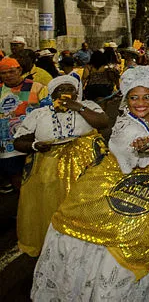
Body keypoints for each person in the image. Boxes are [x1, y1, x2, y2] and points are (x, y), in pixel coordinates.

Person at [31, 65, 149, 301]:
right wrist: (144, 148)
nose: (141, 103)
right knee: (116, 246)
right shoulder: (127, 127)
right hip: (121, 189)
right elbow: (127, 148)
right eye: (134, 98)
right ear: (126, 99)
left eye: (147, 97)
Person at [13, 75, 109, 257]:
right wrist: (34, 146)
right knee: (51, 207)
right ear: (52, 95)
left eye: (70, 90)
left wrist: (78, 107)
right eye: (61, 90)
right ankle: (55, 247)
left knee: (85, 205)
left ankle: (87, 246)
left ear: (76, 93)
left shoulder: (88, 106)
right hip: (49, 168)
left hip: (86, 166)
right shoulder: (39, 114)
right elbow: (18, 141)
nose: (66, 94)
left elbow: (103, 123)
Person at [0, 57, 49, 193]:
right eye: (3, 73)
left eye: (11, 71)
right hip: (8, 146)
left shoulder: (36, 87)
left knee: (36, 176)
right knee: (16, 178)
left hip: (33, 141)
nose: (7, 76)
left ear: (19, 70)